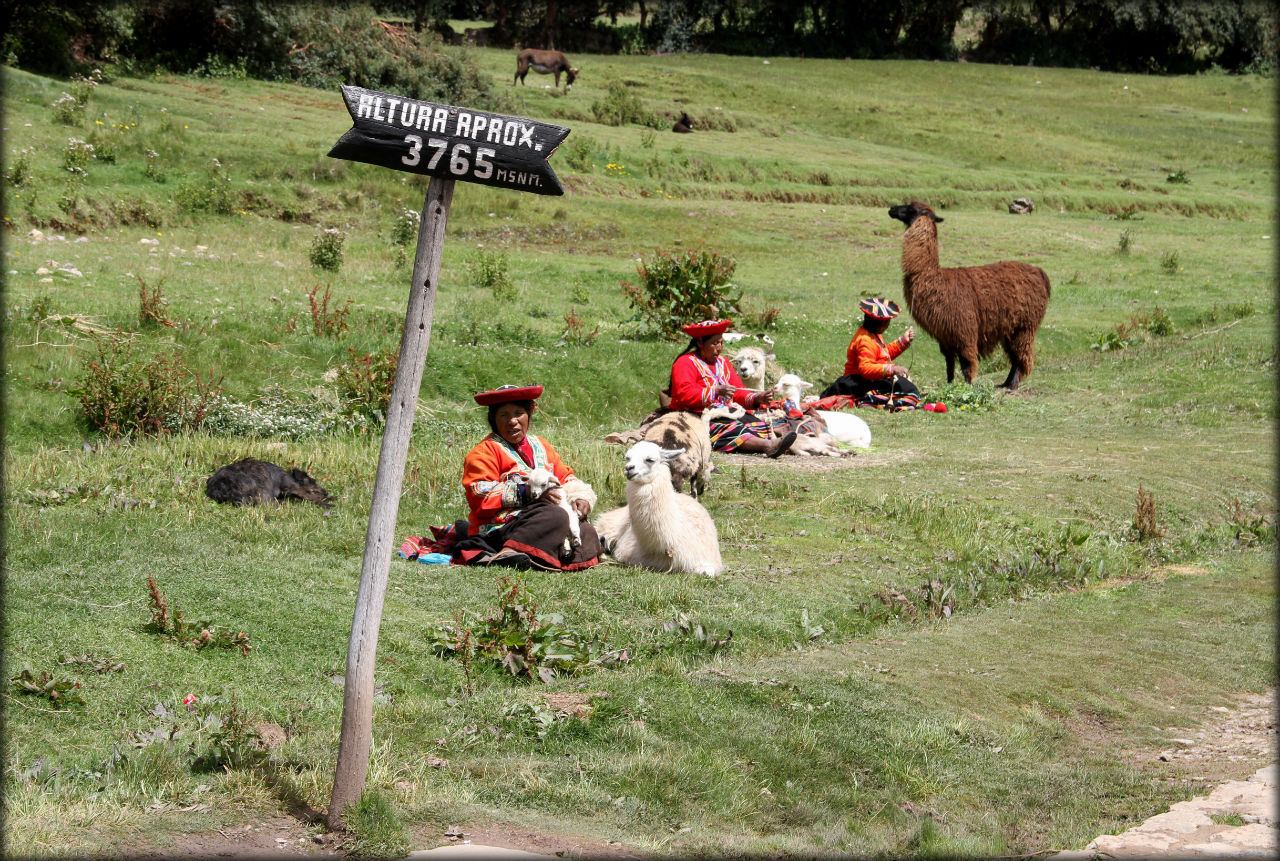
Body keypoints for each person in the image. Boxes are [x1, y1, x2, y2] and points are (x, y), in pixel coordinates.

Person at [449, 384, 601, 570]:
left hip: (544, 518)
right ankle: (508, 551)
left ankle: (552, 556)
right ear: (493, 419)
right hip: (501, 527)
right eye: (503, 415)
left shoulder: (542, 445)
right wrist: (524, 492)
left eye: (518, 413)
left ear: (529, 415)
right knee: (555, 516)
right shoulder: (484, 452)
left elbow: (565, 476)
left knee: (585, 529)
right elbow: (479, 493)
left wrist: (580, 498)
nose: (512, 421)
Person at [666, 319, 796, 457]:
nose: (719, 348)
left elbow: (738, 391)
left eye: (721, 342)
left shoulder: (723, 362)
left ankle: (768, 444)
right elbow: (683, 394)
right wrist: (716, 391)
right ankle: (768, 446)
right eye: (714, 343)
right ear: (700, 343)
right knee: (729, 429)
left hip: (725, 412)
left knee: (758, 425)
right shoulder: (685, 363)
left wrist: (757, 398)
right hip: (696, 414)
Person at [820, 298, 922, 404]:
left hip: (868, 379)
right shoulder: (865, 340)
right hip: (858, 382)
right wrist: (892, 369)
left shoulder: (874, 335)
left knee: (906, 387)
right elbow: (866, 369)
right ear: (882, 323)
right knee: (907, 390)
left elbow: (882, 355)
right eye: (887, 321)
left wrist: (903, 341)